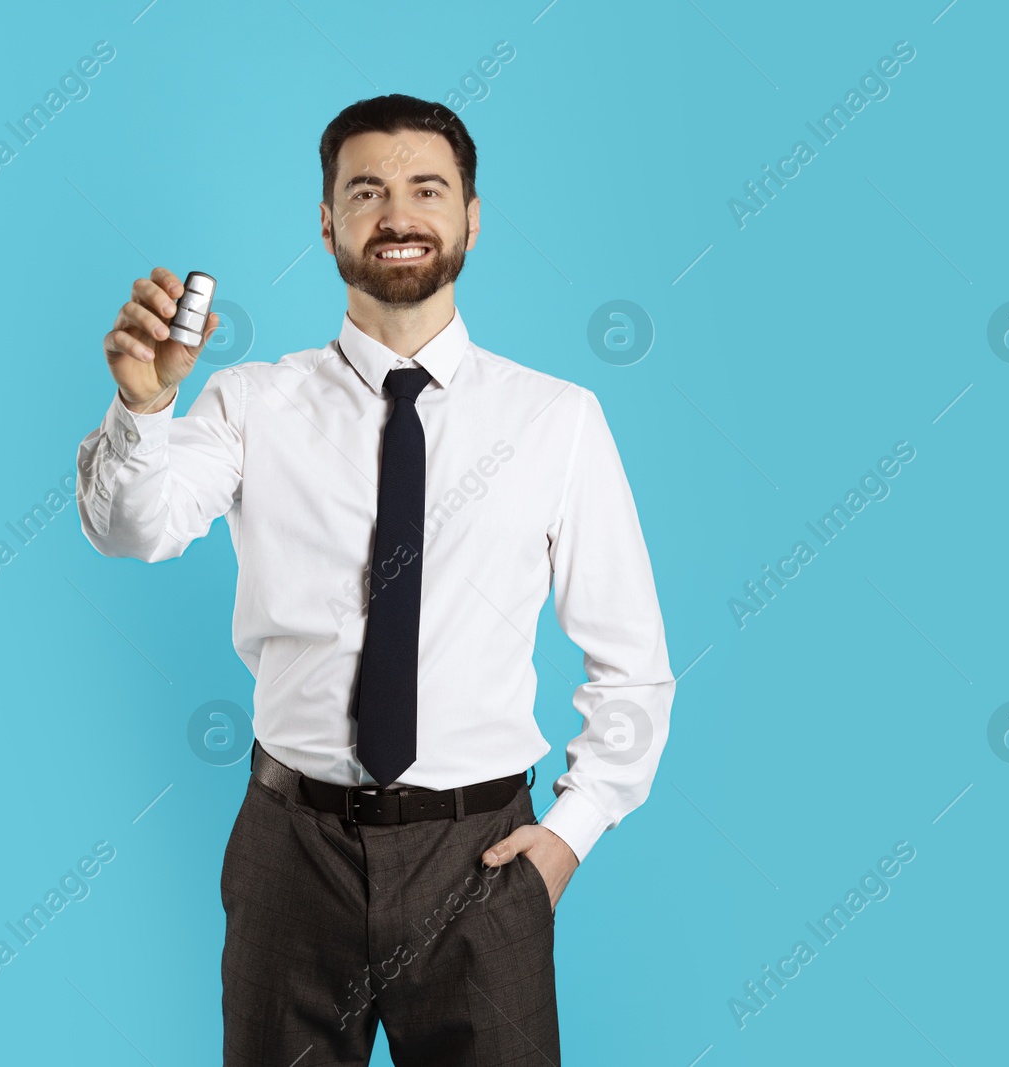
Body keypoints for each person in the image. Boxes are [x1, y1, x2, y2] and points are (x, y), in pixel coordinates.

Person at [74, 93, 674, 1066]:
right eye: (367, 190)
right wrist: (141, 408)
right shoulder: (251, 402)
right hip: (289, 849)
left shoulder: (557, 419)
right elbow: (130, 529)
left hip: (480, 855)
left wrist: (571, 832)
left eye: (426, 189)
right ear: (327, 222)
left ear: (472, 217)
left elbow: (633, 665)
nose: (397, 214)